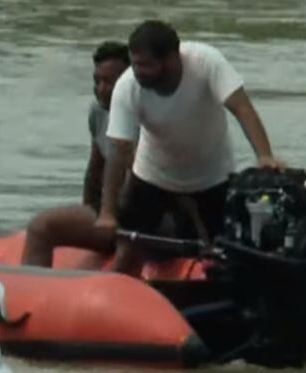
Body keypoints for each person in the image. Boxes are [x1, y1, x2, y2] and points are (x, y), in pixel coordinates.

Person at [95, 20, 286, 277]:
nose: (137, 71)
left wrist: (264, 155)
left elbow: (242, 108)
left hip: (212, 177)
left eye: (145, 65)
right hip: (153, 176)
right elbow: (118, 151)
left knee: (225, 255)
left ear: (173, 58)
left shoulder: (206, 62)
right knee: (130, 249)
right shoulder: (128, 87)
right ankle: (117, 295)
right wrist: (107, 212)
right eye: (135, 63)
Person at [20, 41, 131, 267]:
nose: (101, 88)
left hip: (142, 218)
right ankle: (34, 293)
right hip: (110, 215)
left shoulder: (144, 113)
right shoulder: (98, 112)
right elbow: (95, 168)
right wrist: (91, 215)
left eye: (109, 81)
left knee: (41, 227)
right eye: (97, 81)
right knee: (41, 227)